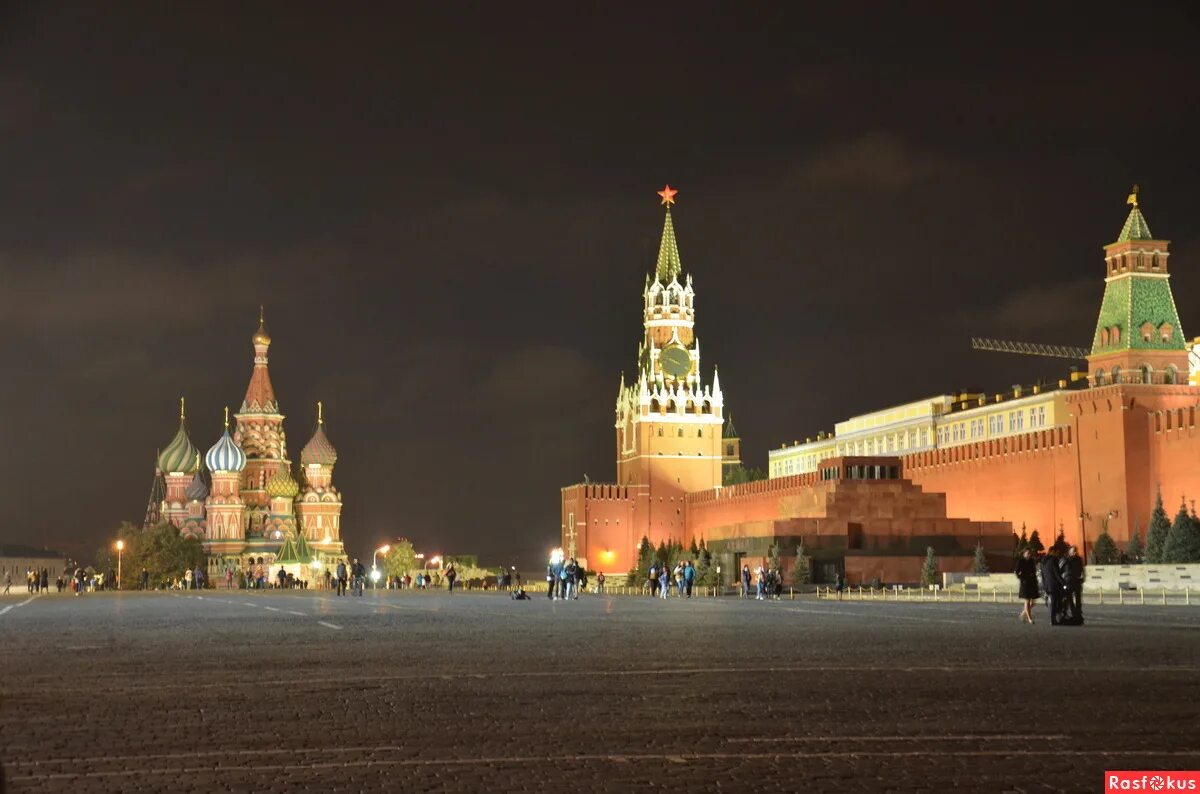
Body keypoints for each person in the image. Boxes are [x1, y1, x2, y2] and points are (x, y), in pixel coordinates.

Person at [1061, 545, 1085, 625]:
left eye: (1075, 551)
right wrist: (1062, 581)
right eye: (1073, 551)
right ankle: (1073, 614)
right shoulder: (1065, 560)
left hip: (1077, 581)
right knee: (1069, 599)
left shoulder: (1079, 559)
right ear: (1069, 552)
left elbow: (1082, 570)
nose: (1075, 552)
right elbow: (1059, 570)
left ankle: (1078, 615)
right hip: (1068, 582)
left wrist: (1082, 578)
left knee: (1078, 600)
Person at [1015, 548, 1039, 624]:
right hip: (1025, 583)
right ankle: (1029, 618)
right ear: (1024, 553)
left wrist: (1035, 580)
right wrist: (1022, 579)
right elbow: (1017, 571)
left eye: (1030, 553)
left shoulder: (1032, 560)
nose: (1029, 554)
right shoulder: (1021, 561)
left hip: (1032, 582)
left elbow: (1034, 571)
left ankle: (1022, 614)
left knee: (1033, 602)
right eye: (1027, 553)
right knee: (1027, 601)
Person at [1040, 549, 1064, 625]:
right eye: (1057, 552)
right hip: (1054, 585)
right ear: (1053, 552)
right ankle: (1053, 619)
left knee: (1052, 602)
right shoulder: (1053, 560)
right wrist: (1063, 582)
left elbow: (1043, 575)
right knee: (1055, 602)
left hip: (1047, 585)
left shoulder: (1043, 562)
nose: (1057, 554)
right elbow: (1057, 574)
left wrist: (1044, 586)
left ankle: (1054, 619)